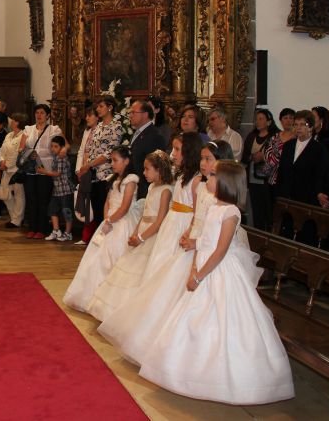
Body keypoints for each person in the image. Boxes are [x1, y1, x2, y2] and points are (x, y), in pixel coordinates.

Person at [138, 160, 294, 405]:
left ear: (225, 183)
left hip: (219, 271)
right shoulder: (213, 207)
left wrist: (200, 275)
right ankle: (187, 370)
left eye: (212, 176)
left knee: (221, 322)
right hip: (202, 263)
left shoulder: (230, 212)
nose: (207, 179)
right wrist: (194, 255)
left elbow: (220, 250)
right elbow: (205, 239)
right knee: (191, 320)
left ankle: (226, 378)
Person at [98, 140, 235, 365]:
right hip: (186, 232)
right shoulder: (196, 181)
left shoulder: (210, 192)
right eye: (202, 158)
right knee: (162, 277)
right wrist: (190, 231)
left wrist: (193, 235)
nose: (204, 163)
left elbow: (204, 219)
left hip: (201, 241)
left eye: (208, 159)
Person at [86, 150, 173, 321]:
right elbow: (144, 214)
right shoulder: (152, 187)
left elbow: (160, 219)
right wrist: (135, 233)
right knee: (125, 270)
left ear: (159, 170)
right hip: (142, 231)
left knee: (141, 272)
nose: (143, 172)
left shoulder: (165, 190)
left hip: (152, 235)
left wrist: (141, 238)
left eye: (147, 169)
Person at [63, 145, 141, 311]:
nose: (112, 163)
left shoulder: (131, 180)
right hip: (109, 221)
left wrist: (111, 220)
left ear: (126, 161)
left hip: (122, 223)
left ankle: (109, 302)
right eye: (111, 160)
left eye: (115, 160)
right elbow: (108, 201)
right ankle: (90, 297)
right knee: (97, 258)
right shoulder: (114, 178)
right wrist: (106, 218)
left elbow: (125, 207)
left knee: (113, 258)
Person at [78, 96, 122, 227]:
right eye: (97, 107)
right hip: (93, 175)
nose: (98, 109)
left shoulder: (116, 126)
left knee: (105, 208)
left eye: (101, 106)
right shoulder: (98, 127)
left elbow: (110, 152)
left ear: (110, 107)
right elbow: (91, 149)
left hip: (106, 175)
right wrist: (85, 166)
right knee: (96, 209)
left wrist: (89, 165)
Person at [23, 104, 64, 239]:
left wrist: (60, 153)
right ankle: (32, 227)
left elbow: (65, 145)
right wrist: (29, 153)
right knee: (31, 198)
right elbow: (21, 147)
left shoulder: (54, 129)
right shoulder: (28, 129)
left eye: (41, 113)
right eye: (37, 112)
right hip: (31, 168)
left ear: (47, 116)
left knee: (43, 199)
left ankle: (42, 229)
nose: (38, 115)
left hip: (46, 169)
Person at [276, 110, 329, 206]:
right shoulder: (288, 145)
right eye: (296, 125)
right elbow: (282, 172)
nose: (298, 128)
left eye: (302, 124)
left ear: (311, 127)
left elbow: (320, 175)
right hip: (286, 197)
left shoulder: (319, 149)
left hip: (307, 199)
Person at [241, 109, 279, 230]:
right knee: (256, 208)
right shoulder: (251, 136)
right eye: (256, 119)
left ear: (269, 122)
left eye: (261, 119)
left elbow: (278, 156)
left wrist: (263, 157)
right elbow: (245, 155)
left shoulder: (275, 136)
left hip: (268, 179)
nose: (257, 121)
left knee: (268, 208)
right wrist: (252, 157)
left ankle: (269, 231)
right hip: (253, 178)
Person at [128, 99, 166, 199]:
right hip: (134, 185)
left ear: (145, 114)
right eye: (130, 112)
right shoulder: (138, 132)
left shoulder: (154, 135)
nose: (130, 115)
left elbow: (155, 166)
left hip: (144, 189)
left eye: (133, 112)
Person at [39, 136, 75, 242]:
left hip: (65, 190)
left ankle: (68, 233)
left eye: (56, 146)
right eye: (52, 146)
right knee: (52, 210)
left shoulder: (61, 157)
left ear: (62, 147)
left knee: (67, 212)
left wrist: (44, 172)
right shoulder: (56, 157)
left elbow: (58, 173)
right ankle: (56, 230)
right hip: (57, 190)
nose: (53, 148)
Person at [74, 107, 100, 245]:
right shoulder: (87, 131)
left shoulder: (101, 131)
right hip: (84, 171)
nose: (87, 118)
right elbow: (81, 151)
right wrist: (79, 170)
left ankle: (91, 235)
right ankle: (85, 235)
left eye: (90, 115)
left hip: (94, 171)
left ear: (97, 117)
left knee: (93, 203)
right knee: (85, 202)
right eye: (87, 115)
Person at [0, 113, 27, 228]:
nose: (11, 122)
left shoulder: (23, 135)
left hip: (16, 169)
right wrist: (1, 161)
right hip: (5, 169)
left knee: (19, 195)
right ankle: (13, 217)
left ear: (18, 122)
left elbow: (18, 153)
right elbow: (2, 150)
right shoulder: (9, 135)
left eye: (13, 120)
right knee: (5, 195)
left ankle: (17, 220)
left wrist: (7, 164)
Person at [263, 108, 295, 189]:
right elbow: (267, 155)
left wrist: (278, 155)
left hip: (291, 179)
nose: (288, 120)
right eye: (285, 118)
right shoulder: (275, 137)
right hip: (273, 179)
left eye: (291, 118)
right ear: (281, 120)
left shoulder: (297, 138)